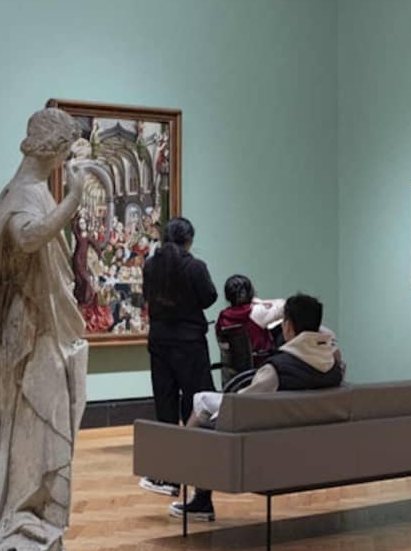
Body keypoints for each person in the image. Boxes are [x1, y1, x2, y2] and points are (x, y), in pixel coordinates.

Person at [0, 107, 87, 551]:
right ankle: (16, 517)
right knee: (36, 418)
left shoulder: (36, 189)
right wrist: (75, 200)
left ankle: (32, 516)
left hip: (44, 327)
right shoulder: (22, 192)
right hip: (28, 330)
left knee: (50, 416)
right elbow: (26, 237)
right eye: (65, 151)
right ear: (56, 150)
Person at [169, 294, 344, 521]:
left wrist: (214, 419)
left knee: (202, 415)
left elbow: (240, 408)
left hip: (268, 448)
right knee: (205, 400)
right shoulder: (334, 364)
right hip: (318, 445)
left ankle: (198, 496)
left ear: (288, 326)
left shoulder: (277, 369)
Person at [139, 217, 218, 497]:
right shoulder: (195, 267)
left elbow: (147, 296)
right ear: (189, 241)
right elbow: (209, 297)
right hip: (190, 345)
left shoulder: (150, 266)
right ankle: (201, 486)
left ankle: (169, 477)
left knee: (166, 409)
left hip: (160, 343)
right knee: (197, 408)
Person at [216, 274, 279, 359]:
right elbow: (285, 306)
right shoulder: (255, 311)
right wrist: (260, 301)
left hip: (234, 365)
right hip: (262, 363)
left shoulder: (222, 317)